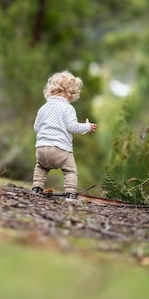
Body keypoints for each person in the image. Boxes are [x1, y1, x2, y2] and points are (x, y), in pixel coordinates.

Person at [31, 70, 97, 202]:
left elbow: (36, 128)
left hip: (41, 149)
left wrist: (46, 136)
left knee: (41, 167)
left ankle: (36, 189)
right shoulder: (68, 108)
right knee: (70, 171)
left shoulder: (43, 108)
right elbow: (72, 127)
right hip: (60, 149)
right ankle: (70, 195)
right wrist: (87, 127)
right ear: (70, 93)